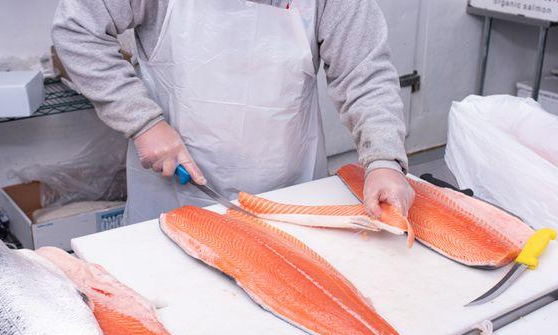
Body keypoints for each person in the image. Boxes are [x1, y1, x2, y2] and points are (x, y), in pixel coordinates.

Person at [52, 0, 415, 224]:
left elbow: (363, 72)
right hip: (173, 201)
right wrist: (143, 123)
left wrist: (384, 161)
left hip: (287, 203)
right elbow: (76, 29)